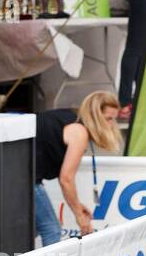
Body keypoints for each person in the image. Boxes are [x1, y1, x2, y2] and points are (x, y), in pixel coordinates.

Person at [34, 91, 123, 246]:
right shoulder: (79, 131)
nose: (111, 125)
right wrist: (79, 215)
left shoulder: (69, 119)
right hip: (23, 176)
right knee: (51, 229)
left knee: (33, 227)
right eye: (108, 119)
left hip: (16, 171)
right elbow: (66, 179)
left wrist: (78, 206)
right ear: (96, 116)